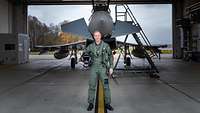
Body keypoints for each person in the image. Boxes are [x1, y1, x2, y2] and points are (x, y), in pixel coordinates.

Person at [84, 31, 114, 111]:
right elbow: (85, 53)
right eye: (95, 36)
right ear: (93, 37)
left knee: (106, 86)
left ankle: (108, 103)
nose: (97, 37)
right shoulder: (90, 46)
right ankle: (90, 103)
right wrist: (85, 59)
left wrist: (111, 67)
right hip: (93, 67)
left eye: (98, 35)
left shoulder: (106, 46)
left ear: (100, 36)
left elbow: (111, 56)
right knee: (91, 86)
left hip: (103, 68)